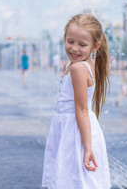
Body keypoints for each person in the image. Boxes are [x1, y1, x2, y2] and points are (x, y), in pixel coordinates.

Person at [42, 14, 111, 189]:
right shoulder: (75, 65)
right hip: (72, 128)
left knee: (78, 181)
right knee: (76, 180)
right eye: (70, 41)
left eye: (82, 44)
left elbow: (80, 109)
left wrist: (87, 148)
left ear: (95, 46)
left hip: (76, 132)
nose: (74, 48)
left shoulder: (79, 68)